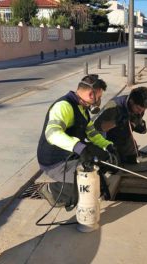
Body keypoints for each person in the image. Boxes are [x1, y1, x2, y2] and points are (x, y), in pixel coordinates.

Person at [36, 74, 117, 208]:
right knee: (88, 183)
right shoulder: (64, 106)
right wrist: (79, 148)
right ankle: (52, 191)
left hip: (68, 154)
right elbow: (52, 133)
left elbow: (92, 133)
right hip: (54, 161)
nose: (99, 100)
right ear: (91, 94)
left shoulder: (83, 109)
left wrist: (108, 146)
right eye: (99, 97)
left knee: (101, 162)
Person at [94, 86, 147, 164]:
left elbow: (135, 122)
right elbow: (97, 126)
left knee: (132, 160)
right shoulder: (113, 106)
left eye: (143, 110)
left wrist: (139, 124)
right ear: (131, 102)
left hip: (124, 137)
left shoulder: (139, 109)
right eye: (138, 109)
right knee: (113, 165)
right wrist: (116, 122)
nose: (140, 112)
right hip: (108, 138)